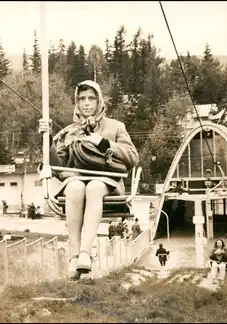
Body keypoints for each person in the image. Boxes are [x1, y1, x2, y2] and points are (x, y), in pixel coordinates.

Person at [38, 80, 138, 280]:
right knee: (75, 187)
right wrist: (47, 140)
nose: (86, 103)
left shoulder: (115, 127)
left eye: (91, 98)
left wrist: (102, 142)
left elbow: (132, 157)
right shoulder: (70, 131)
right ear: (76, 102)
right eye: (82, 99)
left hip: (106, 180)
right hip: (76, 180)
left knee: (94, 187)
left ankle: (86, 252)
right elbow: (60, 166)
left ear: (99, 101)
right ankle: (75, 256)